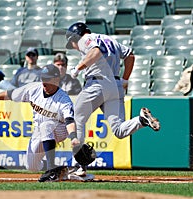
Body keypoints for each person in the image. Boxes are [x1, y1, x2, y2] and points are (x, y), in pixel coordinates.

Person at [65, 22, 161, 175]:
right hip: (115, 86)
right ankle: (140, 120)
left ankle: (79, 166)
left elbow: (96, 51)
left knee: (77, 120)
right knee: (119, 129)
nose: (73, 45)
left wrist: (78, 68)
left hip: (97, 83)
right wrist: (125, 79)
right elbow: (130, 56)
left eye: (72, 41)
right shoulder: (111, 40)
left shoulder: (85, 38)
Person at [0, 64, 80, 182]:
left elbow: (69, 120)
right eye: (43, 78)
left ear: (56, 80)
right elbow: (9, 94)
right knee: (31, 166)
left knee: (46, 124)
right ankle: (59, 169)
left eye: (47, 79)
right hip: (41, 131)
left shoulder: (64, 100)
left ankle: (51, 169)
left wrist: (73, 137)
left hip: (60, 128)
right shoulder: (33, 89)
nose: (44, 82)